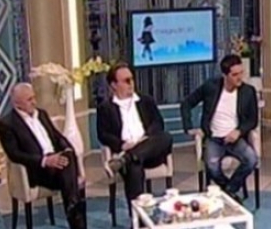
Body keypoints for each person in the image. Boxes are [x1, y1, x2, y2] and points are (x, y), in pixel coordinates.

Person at [0, 83, 103, 229]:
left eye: (34, 97)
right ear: (17, 103)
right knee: (71, 178)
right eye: (29, 99)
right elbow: (14, 155)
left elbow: (58, 138)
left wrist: (67, 149)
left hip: (58, 166)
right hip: (37, 171)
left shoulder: (42, 115)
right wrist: (44, 160)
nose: (34, 101)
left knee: (68, 157)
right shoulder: (6, 124)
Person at [180, 54, 259, 202]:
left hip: (235, 139)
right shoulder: (211, 87)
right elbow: (187, 103)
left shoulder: (248, 91)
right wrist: (188, 127)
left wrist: (239, 131)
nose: (240, 78)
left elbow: (253, 120)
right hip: (214, 139)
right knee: (212, 166)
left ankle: (228, 191)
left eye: (241, 73)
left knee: (251, 160)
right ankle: (229, 192)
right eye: (235, 75)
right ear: (225, 75)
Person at [97, 62, 173, 206]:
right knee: (134, 166)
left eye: (132, 79)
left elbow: (158, 124)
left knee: (166, 137)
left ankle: (126, 159)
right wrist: (122, 145)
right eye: (126, 81)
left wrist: (146, 138)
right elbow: (103, 134)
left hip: (150, 151)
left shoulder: (146, 101)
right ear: (114, 85)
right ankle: (137, 216)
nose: (131, 83)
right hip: (127, 150)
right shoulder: (105, 108)